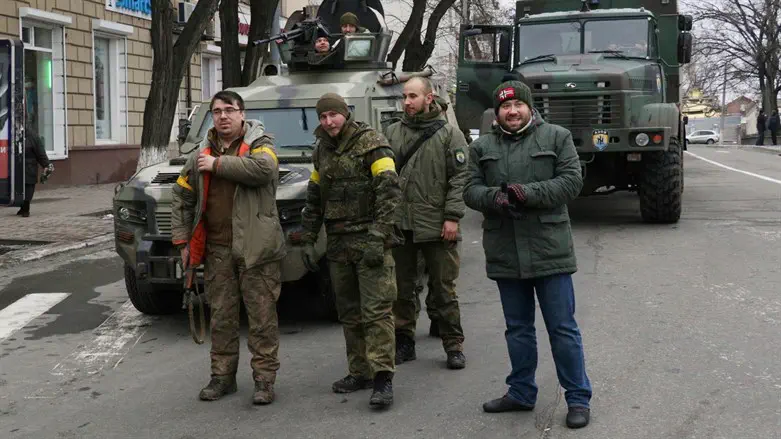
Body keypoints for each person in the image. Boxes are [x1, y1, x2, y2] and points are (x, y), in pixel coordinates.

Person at [463, 80, 592, 429]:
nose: (512, 111)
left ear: (529, 107)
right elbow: (470, 190)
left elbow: (571, 181)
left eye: (518, 105)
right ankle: (521, 392)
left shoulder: (556, 137)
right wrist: (495, 199)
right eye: (505, 106)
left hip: (550, 249)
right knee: (517, 329)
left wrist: (525, 193)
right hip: (506, 250)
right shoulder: (482, 146)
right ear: (498, 112)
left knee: (562, 328)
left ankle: (578, 398)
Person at [170, 90, 286, 405]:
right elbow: (182, 196)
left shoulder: (262, 144)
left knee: (262, 318)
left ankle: (264, 381)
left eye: (230, 110)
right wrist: (182, 240)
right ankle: (222, 378)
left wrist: (218, 164)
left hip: (256, 249)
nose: (223, 116)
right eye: (217, 111)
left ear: (242, 114)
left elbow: (264, 171)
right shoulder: (199, 154)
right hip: (218, 249)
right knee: (222, 316)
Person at [300, 92, 403, 409]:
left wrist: (379, 236)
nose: (328, 121)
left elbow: (390, 193)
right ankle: (360, 372)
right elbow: (316, 195)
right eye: (322, 117)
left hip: (371, 242)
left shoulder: (372, 143)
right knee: (349, 313)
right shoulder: (321, 150)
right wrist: (308, 236)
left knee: (377, 312)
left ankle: (382, 378)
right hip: (339, 245)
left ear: (345, 114)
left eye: (333, 114)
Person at [384, 77, 468, 369]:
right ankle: (404, 341)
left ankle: (453, 345)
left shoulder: (449, 135)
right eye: (404, 97)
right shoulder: (392, 133)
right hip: (401, 224)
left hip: (438, 224)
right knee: (401, 288)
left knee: (444, 289)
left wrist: (452, 217)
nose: (407, 102)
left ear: (429, 98)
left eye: (413, 96)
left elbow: (459, 179)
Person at [18, 123, 53, 217]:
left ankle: (26, 208)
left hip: (29, 167)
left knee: (28, 187)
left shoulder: (32, 136)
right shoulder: (15, 135)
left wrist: (46, 165)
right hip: (17, 167)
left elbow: (40, 152)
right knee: (18, 187)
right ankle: (22, 207)